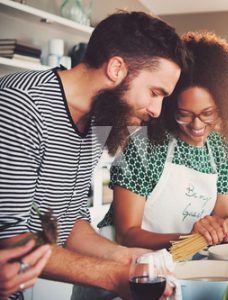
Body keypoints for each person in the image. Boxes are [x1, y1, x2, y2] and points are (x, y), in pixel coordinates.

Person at [0, 11, 189, 300]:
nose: (156, 110)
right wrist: (113, 277)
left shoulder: (98, 121)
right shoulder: (22, 105)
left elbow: (72, 222)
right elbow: (10, 242)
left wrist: (127, 258)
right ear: (116, 69)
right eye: (155, 92)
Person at [97, 31, 228, 250]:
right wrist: (188, 237)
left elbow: (224, 223)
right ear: (169, 106)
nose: (197, 125)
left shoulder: (218, 148)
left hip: (171, 269)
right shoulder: (144, 145)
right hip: (118, 263)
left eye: (207, 113)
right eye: (185, 114)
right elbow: (128, 234)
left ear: (226, 106)